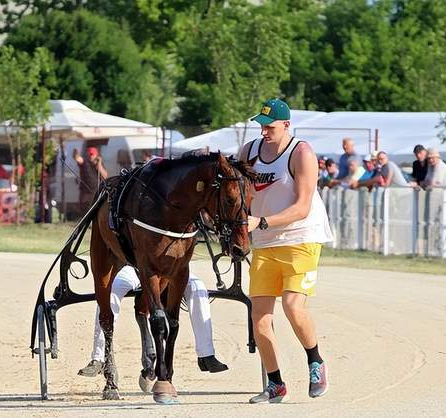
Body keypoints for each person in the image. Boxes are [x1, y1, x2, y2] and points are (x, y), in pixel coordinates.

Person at [240, 98, 332, 403]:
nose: (264, 132)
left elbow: (302, 208)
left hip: (300, 238)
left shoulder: (301, 153)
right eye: (261, 126)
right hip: (264, 242)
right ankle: (275, 384)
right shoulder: (250, 151)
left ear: (286, 125)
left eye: (270, 126)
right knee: (260, 318)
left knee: (293, 306)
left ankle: (316, 362)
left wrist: (261, 221)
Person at [78, 266, 228, 388]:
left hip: (171, 269)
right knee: (110, 292)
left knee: (197, 287)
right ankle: (98, 358)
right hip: (133, 268)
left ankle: (206, 354)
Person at [73, 146, 108, 213]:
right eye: (89, 154)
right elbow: (77, 158)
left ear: (96, 155)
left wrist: (99, 164)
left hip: (96, 191)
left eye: (92, 154)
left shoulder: (99, 164)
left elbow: (105, 176)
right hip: (85, 192)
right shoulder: (84, 162)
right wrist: (76, 152)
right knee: (84, 210)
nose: (91, 156)